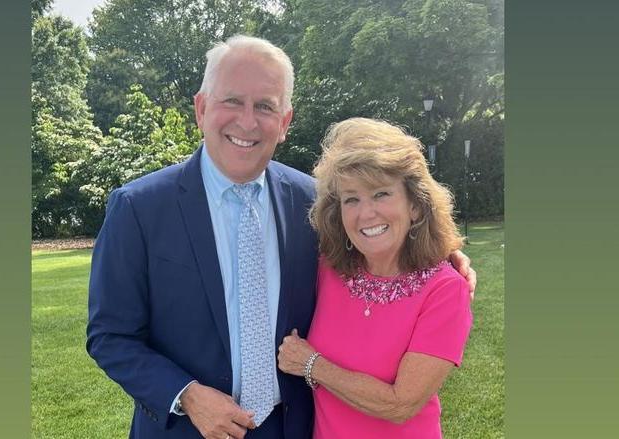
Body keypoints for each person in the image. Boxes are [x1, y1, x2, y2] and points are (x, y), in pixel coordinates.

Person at [87, 36, 476, 439]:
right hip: (186, 430)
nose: (248, 121)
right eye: (232, 101)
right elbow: (110, 337)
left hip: (291, 427)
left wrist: (444, 257)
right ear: (201, 109)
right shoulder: (138, 207)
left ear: (285, 122)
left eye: (265, 106)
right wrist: (186, 395)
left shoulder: (311, 201)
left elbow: (376, 240)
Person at [277, 117, 473, 438]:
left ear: (415, 206)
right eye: (351, 198)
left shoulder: (445, 290)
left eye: (381, 194)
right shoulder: (327, 269)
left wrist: (312, 364)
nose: (366, 213)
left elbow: (401, 404)